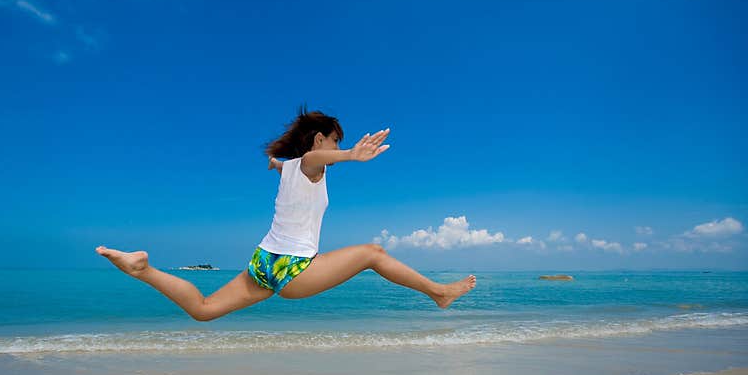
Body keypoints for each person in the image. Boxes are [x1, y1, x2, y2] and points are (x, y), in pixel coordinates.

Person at [96, 107, 476, 321]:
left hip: (264, 261)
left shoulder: (291, 168)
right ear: (319, 140)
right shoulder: (312, 162)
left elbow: (289, 164)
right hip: (293, 268)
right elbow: (313, 158)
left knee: (204, 309)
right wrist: (350, 156)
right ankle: (439, 293)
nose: (337, 146)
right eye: (335, 140)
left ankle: (144, 270)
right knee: (373, 254)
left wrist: (275, 163)